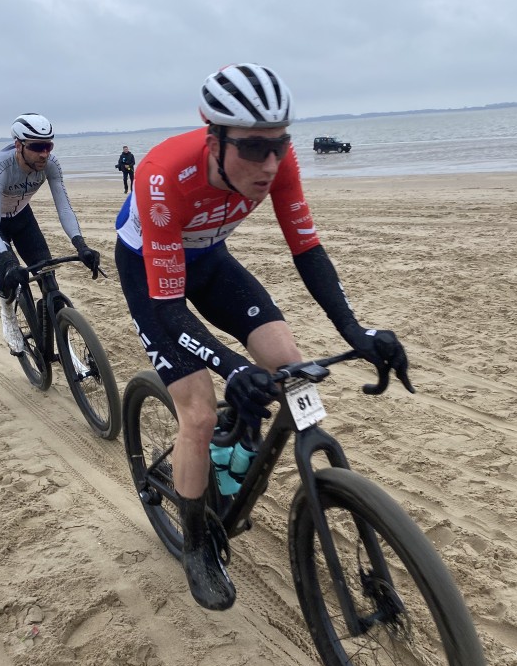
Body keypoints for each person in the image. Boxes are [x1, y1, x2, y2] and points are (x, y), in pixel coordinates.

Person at [114, 63, 413, 611]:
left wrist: (357, 330)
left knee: (289, 364)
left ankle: (241, 439)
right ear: (215, 138)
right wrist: (233, 369)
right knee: (200, 415)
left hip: (210, 261)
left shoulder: (278, 163)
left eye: (280, 144)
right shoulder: (160, 176)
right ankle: (198, 545)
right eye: (253, 148)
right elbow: (169, 307)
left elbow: (307, 249)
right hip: (152, 274)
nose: (270, 162)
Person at [0, 113, 101, 353]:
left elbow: (64, 207)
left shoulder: (51, 165)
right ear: (19, 145)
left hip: (22, 218)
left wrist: (81, 245)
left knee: (47, 273)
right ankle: (8, 314)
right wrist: (9, 262)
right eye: (37, 147)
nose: (44, 153)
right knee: (7, 271)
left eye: (48, 145)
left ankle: (64, 345)